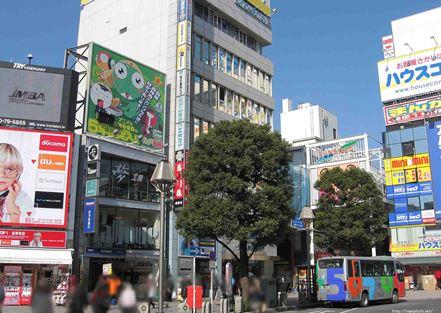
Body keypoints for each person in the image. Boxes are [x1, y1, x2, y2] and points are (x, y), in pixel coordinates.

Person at [0, 143, 34, 224]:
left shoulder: (24, 199)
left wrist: (11, 203)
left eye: (9, 169)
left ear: (18, 173)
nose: (1, 175)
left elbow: (17, 229)